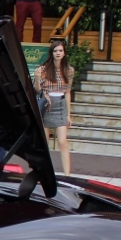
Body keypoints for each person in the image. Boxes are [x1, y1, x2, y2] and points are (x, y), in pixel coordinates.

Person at [35, 38, 74, 175]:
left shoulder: (69, 70)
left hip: (61, 104)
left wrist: (69, 114)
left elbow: (68, 92)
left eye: (60, 50)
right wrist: (37, 78)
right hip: (46, 104)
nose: (58, 53)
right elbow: (37, 91)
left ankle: (67, 175)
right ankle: (44, 173)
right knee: (45, 143)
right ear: (51, 53)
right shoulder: (43, 69)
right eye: (55, 51)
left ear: (64, 53)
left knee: (62, 142)